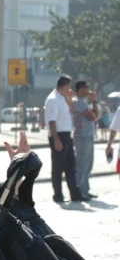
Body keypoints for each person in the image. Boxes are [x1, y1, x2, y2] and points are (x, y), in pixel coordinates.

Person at [45, 75, 88, 203]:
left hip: (66, 135)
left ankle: (74, 194)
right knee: (58, 167)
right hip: (58, 135)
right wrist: (56, 139)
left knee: (70, 166)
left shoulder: (62, 98)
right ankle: (58, 195)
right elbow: (52, 121)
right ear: (63, 85)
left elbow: (66, 114)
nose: (70, 88)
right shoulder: (53, 99)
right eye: (68, 85)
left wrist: (69, 100)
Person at [71, 80, 99, 199]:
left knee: (88, 164)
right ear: (81, 89)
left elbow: (95, 115)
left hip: (88, 135)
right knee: (81, 164)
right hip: (82, 136)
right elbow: (92, 117)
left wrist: (94, 101)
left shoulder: (84, 102)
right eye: (87, 88)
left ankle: (85, 190)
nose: (88, 90)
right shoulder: (77, 102)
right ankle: (79, 191)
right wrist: (92, 103)